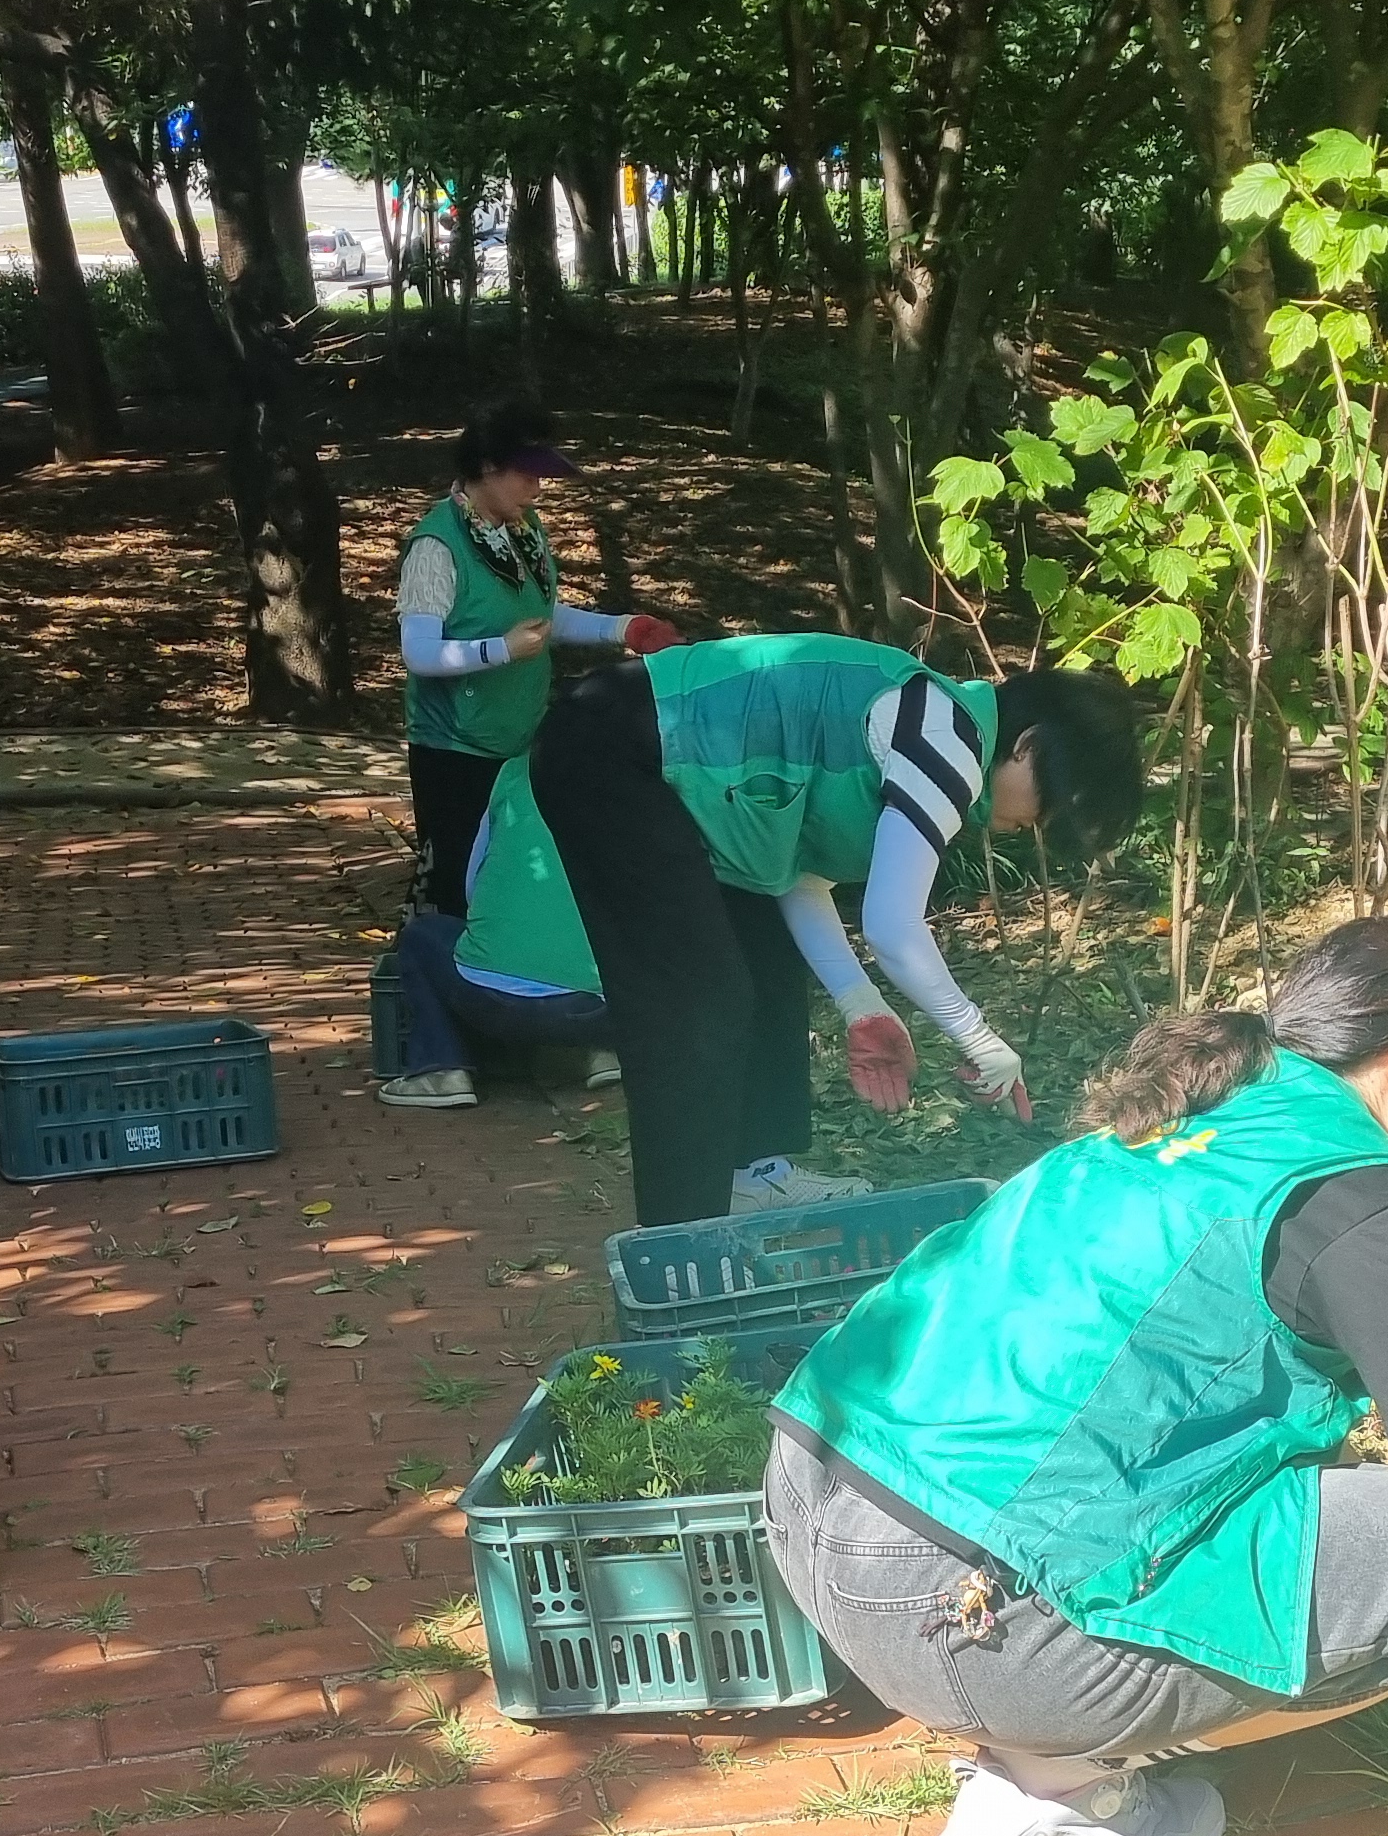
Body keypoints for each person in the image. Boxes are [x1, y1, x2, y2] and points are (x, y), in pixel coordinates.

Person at [762, 915, 1388, 1836]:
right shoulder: (1350, 1188)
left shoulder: (1192, 1115)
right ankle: (1060, 1785)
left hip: (811, 1523)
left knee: (1330, 1493)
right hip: (958, 1612)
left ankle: (1050, 1726)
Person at [464, 634, 1144, 1227]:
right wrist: (977, 1037)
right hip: (611, 745)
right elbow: (893, 927)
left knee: (762, 966)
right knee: (696, 1006)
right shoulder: (947, 736)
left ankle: (750, 1179)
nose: (1037, 826)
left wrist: (859, 1003)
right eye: (1048, 805)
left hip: (641, 755)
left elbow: (792, 876)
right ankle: (680, 1243)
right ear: (1027, 746)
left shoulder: (939, 723)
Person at [397, 402, 672, 914]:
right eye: (527, 474)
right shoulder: (436, 545)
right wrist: (501, 649)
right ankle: (428, 983)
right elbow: (418, 652)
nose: (538, 489)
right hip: (454, 751)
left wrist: (622, 629)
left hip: (519, 738)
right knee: (454, 888)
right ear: (485, 467)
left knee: (510, 880)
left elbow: (543, 615)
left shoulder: (523, 529)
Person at [375, 803, 620, 1112]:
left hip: (491, 1001)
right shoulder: (629, 779)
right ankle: (599, 1053)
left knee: (421, 935)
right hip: (598, 1011)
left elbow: (474, 889)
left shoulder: (513, 778)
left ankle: (441, 1069)